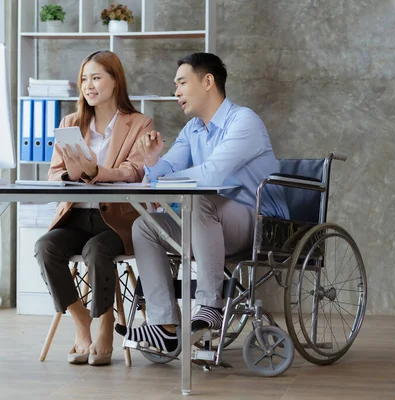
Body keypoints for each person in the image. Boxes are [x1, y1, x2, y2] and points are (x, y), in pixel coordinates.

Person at [115, 52, 289, 353]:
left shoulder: (244, 121)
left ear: (208, 81)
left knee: (202, 201)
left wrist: (164, 179)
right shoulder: (192, 129)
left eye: (182, 83)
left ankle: (210, 305)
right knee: (145, 225)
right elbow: (166, 170)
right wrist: (153, 159)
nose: (177, 92)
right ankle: (164, 325)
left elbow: (212, 175)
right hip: (207, 224)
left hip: (257, 223)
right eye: (175, 86)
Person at [34, 50, 153, 365]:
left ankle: (105, 324)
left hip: (115, 220)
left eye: (96, 77)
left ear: (115, 82)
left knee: (97, 252)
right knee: (45, 247)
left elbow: (135, 171)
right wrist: (69, 174)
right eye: (84, 79)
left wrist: (97, 172)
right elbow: (53, 172)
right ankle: (81, 321)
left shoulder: (139, 123)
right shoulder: (71, 122)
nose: (88, 85)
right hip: (75, 216)